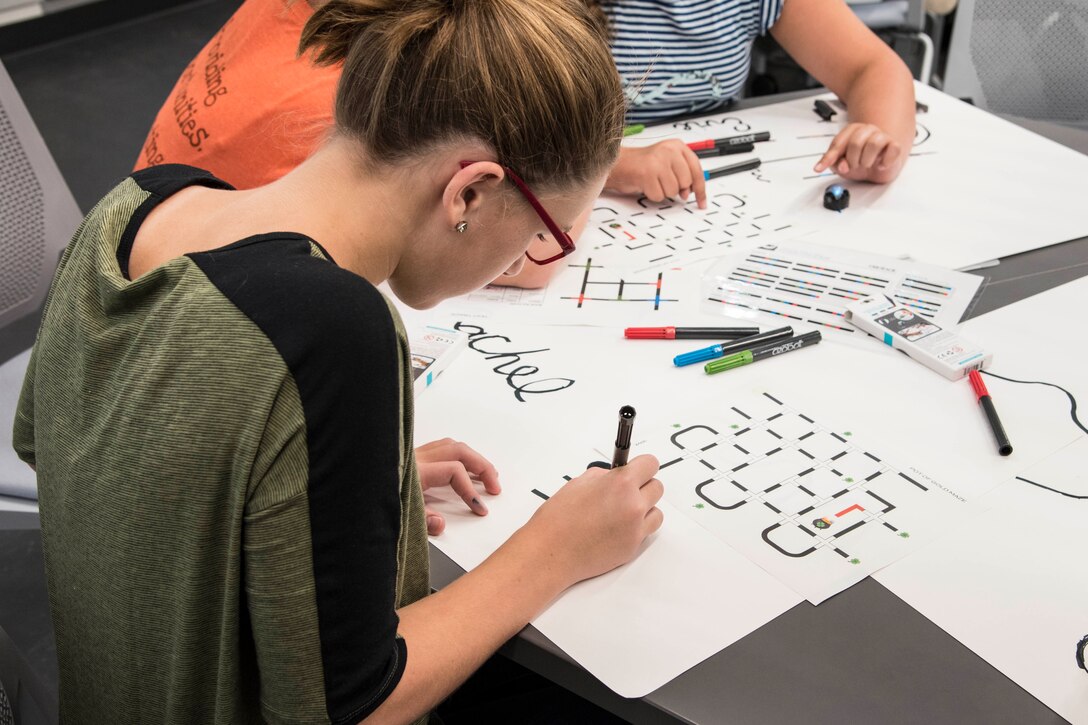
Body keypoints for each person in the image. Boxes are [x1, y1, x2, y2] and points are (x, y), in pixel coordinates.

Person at [13, 1, 664, 723]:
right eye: (544, 234)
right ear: (471, 191)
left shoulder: (135, 205)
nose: (525, 260)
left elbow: (68, 452)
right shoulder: (335, 329)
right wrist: (556, 548)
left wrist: (308, 490)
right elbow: (355, 703)